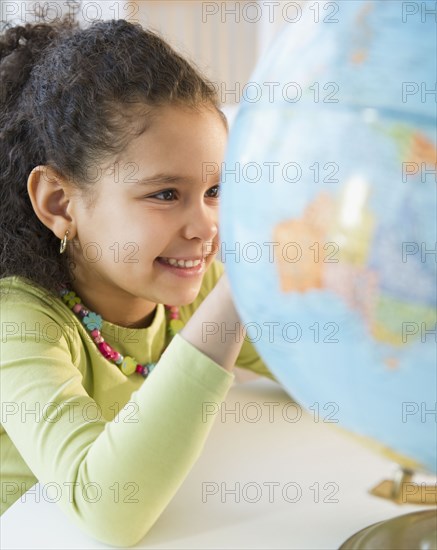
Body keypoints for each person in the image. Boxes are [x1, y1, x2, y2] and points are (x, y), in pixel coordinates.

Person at [0, 11, 275, 547]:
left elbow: (318, 370)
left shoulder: (182, 294)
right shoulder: (21, 324)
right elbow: (107, 511)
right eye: (165, 194)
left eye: (214, 191)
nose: (206, 228)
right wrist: (239, 292)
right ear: (60, 203)